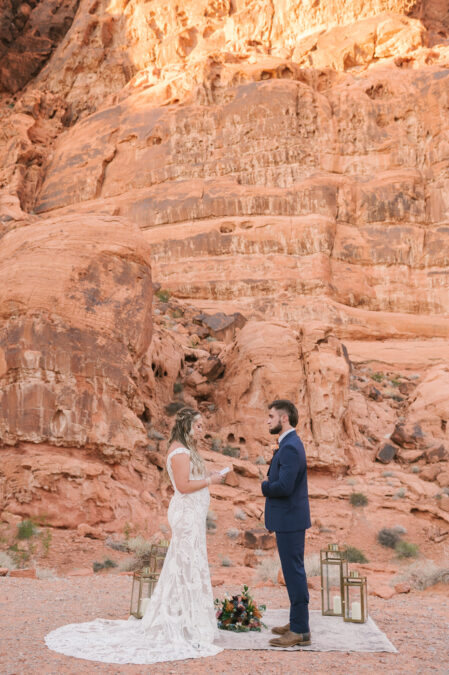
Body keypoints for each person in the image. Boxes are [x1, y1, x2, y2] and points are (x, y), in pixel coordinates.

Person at [45, 407, 224, 665]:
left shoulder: (186, 450)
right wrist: (210, 482)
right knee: (183, 563)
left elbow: (190, 479)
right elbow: (184, 486)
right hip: (186, 516)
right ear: (187, 427)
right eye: (198, 426)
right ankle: (179, 621)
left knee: (189, 563)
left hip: (193, 516)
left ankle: (188, 619)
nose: (202, 431)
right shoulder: (180, 451)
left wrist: (207, 476)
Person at [261, 399, 312, 648]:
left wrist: (264, 485)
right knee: (293, 572)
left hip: (290, 519)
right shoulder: (288, 443)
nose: (268, 420)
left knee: (294, 573)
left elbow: (284, 486)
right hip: (289, 519)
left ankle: (301, 630)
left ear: (284, 419)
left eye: (271, 416)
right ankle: (297, 624)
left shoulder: (290, 446)